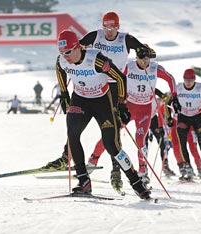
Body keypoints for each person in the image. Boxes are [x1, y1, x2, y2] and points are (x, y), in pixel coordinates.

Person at [44, 12, 156, 192]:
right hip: (81, 98)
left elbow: (123, 75)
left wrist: (121, 104)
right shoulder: (83, 45)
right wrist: (65, 95)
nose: (65, 56)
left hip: (105, 95)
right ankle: (82, 179)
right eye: (106, 27)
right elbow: (61, 69)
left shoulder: (108, 50)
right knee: (73, 133)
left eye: (68, 52)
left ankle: (134, 180)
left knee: (111, 143)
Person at [88, 47, 179, 185]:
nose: (144, 62)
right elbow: (115, 78)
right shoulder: (129, 66)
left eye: (147, 59)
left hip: (145, 109)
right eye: (141, 59)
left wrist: (174, 96)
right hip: (129, 107)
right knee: (111, 133)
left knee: (140, 138)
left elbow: (170, 78)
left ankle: (142, 171)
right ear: (136, 57)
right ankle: (92, 161)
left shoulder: (155, 68)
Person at [173, 68, 201, 181]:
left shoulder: (200, 88)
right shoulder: (179, 87)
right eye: (186, 80)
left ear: (194, 79)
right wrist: (174, 103)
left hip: (197, 117)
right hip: (183, 117)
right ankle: (187, 166)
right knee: (182, 143)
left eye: (190, 80)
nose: (188, 82)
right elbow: (170, 99)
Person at [145, 93, 176, 177]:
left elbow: (159, 115)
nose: (162, 102)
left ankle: (165, 165)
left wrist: (160, 127)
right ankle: (143, 168)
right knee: (144, 145)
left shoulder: (163, 103)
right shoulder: (152, 99)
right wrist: (149, 132)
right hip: (144, 118)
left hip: (153, 119)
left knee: (162, 142)